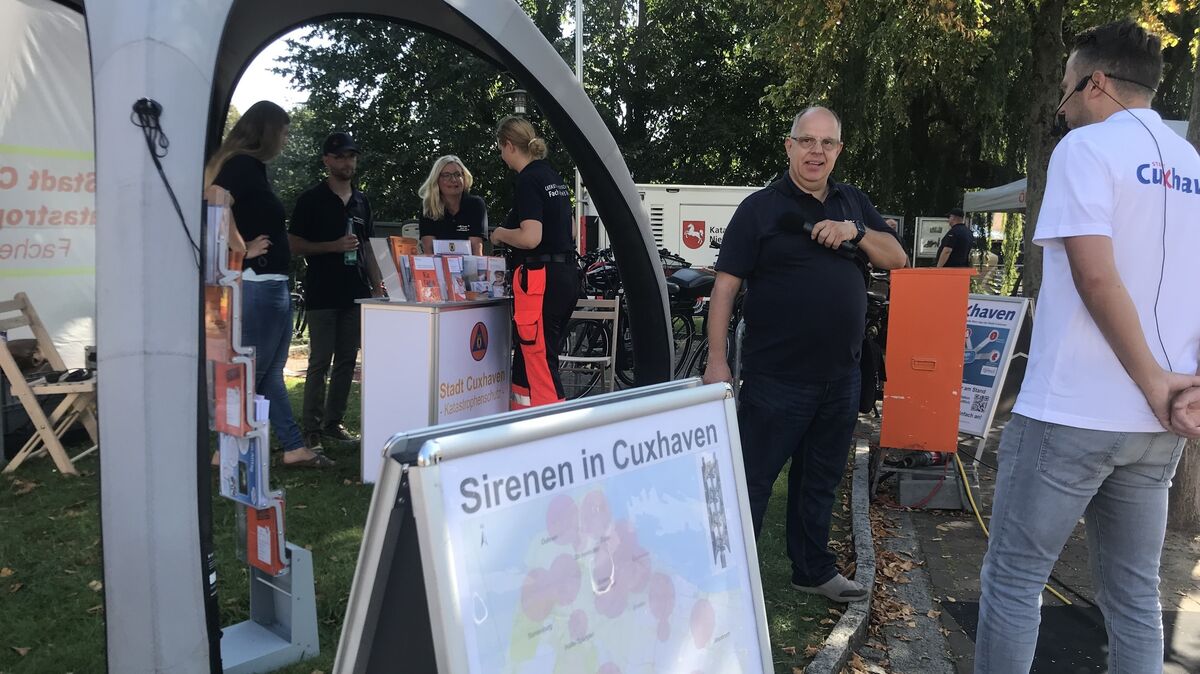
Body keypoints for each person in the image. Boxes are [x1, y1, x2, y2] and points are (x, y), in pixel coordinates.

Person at [974, 20, 1200, 674]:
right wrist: (1177, 385)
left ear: (1095, 82)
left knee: (1014, 578)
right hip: (1160, 421)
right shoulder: (1192, 164)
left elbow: (1095, 277)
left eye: (1066, 93)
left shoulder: (1085, 150)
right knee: (1134, 591)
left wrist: (1155, 380)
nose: (1063, 108)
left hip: (1072, 409)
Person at [703, 106, 906, 602]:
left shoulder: (852, 202)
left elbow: (898, 258)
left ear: (838, 151)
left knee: (819, 481)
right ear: (789, 146)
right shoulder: (759, 208)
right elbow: (725, 289)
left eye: (827, 143)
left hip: (842, 378)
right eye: (807, 141)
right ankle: (728, 580)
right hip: (777, 379)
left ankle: (812, 570)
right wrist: (716, 359)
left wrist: (854, 232)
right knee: (751, 480)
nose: (817, 151)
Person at [205, 100, 331, 467]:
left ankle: (293, 447)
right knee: (252, 373)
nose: (287, 139)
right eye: (285, 131)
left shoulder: (251, 167)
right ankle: (224, 449)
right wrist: (240, 248)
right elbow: (214, 198)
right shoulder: (242, 164)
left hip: (270, 283)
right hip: (257, 284)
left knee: (269, 372)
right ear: (267, 131)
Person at [288, 132, 384, 452]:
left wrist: (377, 284)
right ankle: (311, 429)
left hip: (354, 293)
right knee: (319, 361)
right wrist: (333, 246)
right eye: (340, 156)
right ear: (327, 160)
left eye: (352, 156)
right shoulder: (311, 199)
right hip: (321, 292)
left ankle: (333, 424)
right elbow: (294, 244)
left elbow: (369, 248)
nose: (347, 162)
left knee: (346, 359)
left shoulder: (362, 200)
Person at [490, 116, 579, 409]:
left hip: (540, 279)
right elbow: (573, 230)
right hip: (565, 274)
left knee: (538, 360)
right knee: (530, 361)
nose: (501, 155)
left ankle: (553, 434)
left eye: (500, 148)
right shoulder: (553, 177)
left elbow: (530, 238)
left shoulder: (528, 179)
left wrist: (501, 234)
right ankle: (519, 422)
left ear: (508, 145)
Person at [417, 155, 487, 255]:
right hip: (438, 267)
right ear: (436, 180)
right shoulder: (428, 207)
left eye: (458, 174)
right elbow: (429, 251)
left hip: (469, 268)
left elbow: (476, 249)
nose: (453, 179)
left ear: (464, 177)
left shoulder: (476, 205)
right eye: (446, 175)